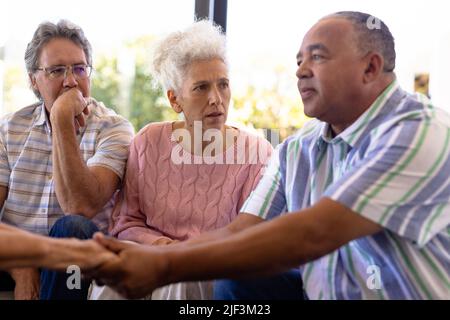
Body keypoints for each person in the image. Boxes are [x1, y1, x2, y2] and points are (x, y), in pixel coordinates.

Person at [88, 11, 450, 300]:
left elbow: (313, 233)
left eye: (317, 57)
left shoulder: (420, 130)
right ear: (174, 98)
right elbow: (239, 232)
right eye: (299, 60)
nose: (300, 70)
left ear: (370, 68)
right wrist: (149, 255)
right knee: (235, 284)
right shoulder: (297, 148)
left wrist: (166, 263)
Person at [89, 20, 300, 300]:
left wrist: (182, 257)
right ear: (175, 100)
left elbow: (250, 239)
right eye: (201, 88)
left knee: (177, 282)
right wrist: (163, 246)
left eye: (223, 85)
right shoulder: (148, 141)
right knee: (110, 284)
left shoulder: (258, 152)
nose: (216, 99)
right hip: (153, 254)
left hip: (213, 266)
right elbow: (127, 222)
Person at [0, 20, 134, 300]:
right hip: (14, 253)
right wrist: (20, 266)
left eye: (79, 68)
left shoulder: (113, 128)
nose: (71, 80)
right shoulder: (8, 129)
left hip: (75, 262)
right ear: (33, 79)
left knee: (73, 227)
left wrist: (61, 120)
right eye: (57, 70)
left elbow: (79, 205)